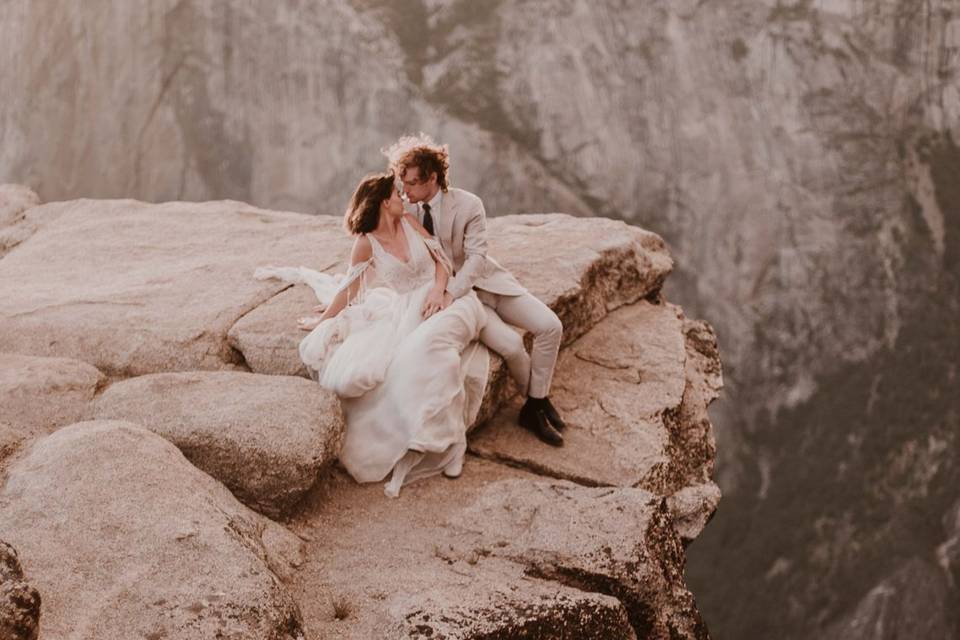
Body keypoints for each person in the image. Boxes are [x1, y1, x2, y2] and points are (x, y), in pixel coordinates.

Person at [275, 172, 489, 498]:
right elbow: (351, 286)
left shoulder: (409, 223)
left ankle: (451, 444)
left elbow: (442, 260)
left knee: (432, 352)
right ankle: (435, 439)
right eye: (396, 193)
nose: (403, 197)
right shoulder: (365, 244)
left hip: (443, 300)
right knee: (406, 365)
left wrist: (438, 289)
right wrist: (326, 318)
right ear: (382, 202)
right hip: (405, 313)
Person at [383, 134, 568, 447]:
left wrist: (449, 292)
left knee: (551, 326)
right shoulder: (406, 211)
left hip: (487, 283)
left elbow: (477, 258)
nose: (406, 190)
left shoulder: (469, 204)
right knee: (511, 346)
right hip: (465, 301)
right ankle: (536, 407)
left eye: (412, 183)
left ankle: (536, 402)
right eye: (403, 183)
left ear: (433, 178)